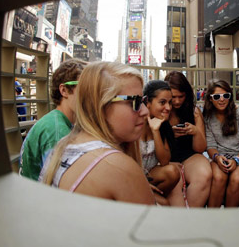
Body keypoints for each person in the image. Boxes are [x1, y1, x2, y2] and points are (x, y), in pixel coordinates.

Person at [39, 61, 154, 205]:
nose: (145, 111)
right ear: (101, 105)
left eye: (143, 100)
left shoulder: (63, 146)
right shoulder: (118, 167)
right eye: (135, 102)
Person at [20, 59, 86, 180]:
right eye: (84, 87)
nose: (90, 94)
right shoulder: (57, 132)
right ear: (64, 90)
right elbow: (61, 183)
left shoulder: (54, 121)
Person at [203, 80, 239, 207]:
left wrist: (237, 160)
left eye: (226, 96)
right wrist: (217, 157)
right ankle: (212, 219)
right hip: (219, 156)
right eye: (217, 97)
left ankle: (229, 220)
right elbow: (210, 146)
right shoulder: (208, 117)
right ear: (210, 99)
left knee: (236, 179)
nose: (222, 100)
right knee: (219, 178)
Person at [164, 71, 212, 207]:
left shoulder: (194, 111)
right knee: (174, 183)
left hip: (188, 155)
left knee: (204, 175)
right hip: (164, 157)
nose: (177, 101)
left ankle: (189, 217)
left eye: (181, 96)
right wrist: (169, 134)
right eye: (173, 97)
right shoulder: (160, 110)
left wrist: (195, 132)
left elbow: (200, 148)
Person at [141, 80, 185, 206]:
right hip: (132, 176)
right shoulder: (135, 122)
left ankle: (150, 195)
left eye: (169, 102)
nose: (168, 107)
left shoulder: (162, 124)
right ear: (147, 102)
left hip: (151, 173)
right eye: (162, 102)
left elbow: (164, 161)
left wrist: (156, 131)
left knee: (172, 171)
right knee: (164, 203)